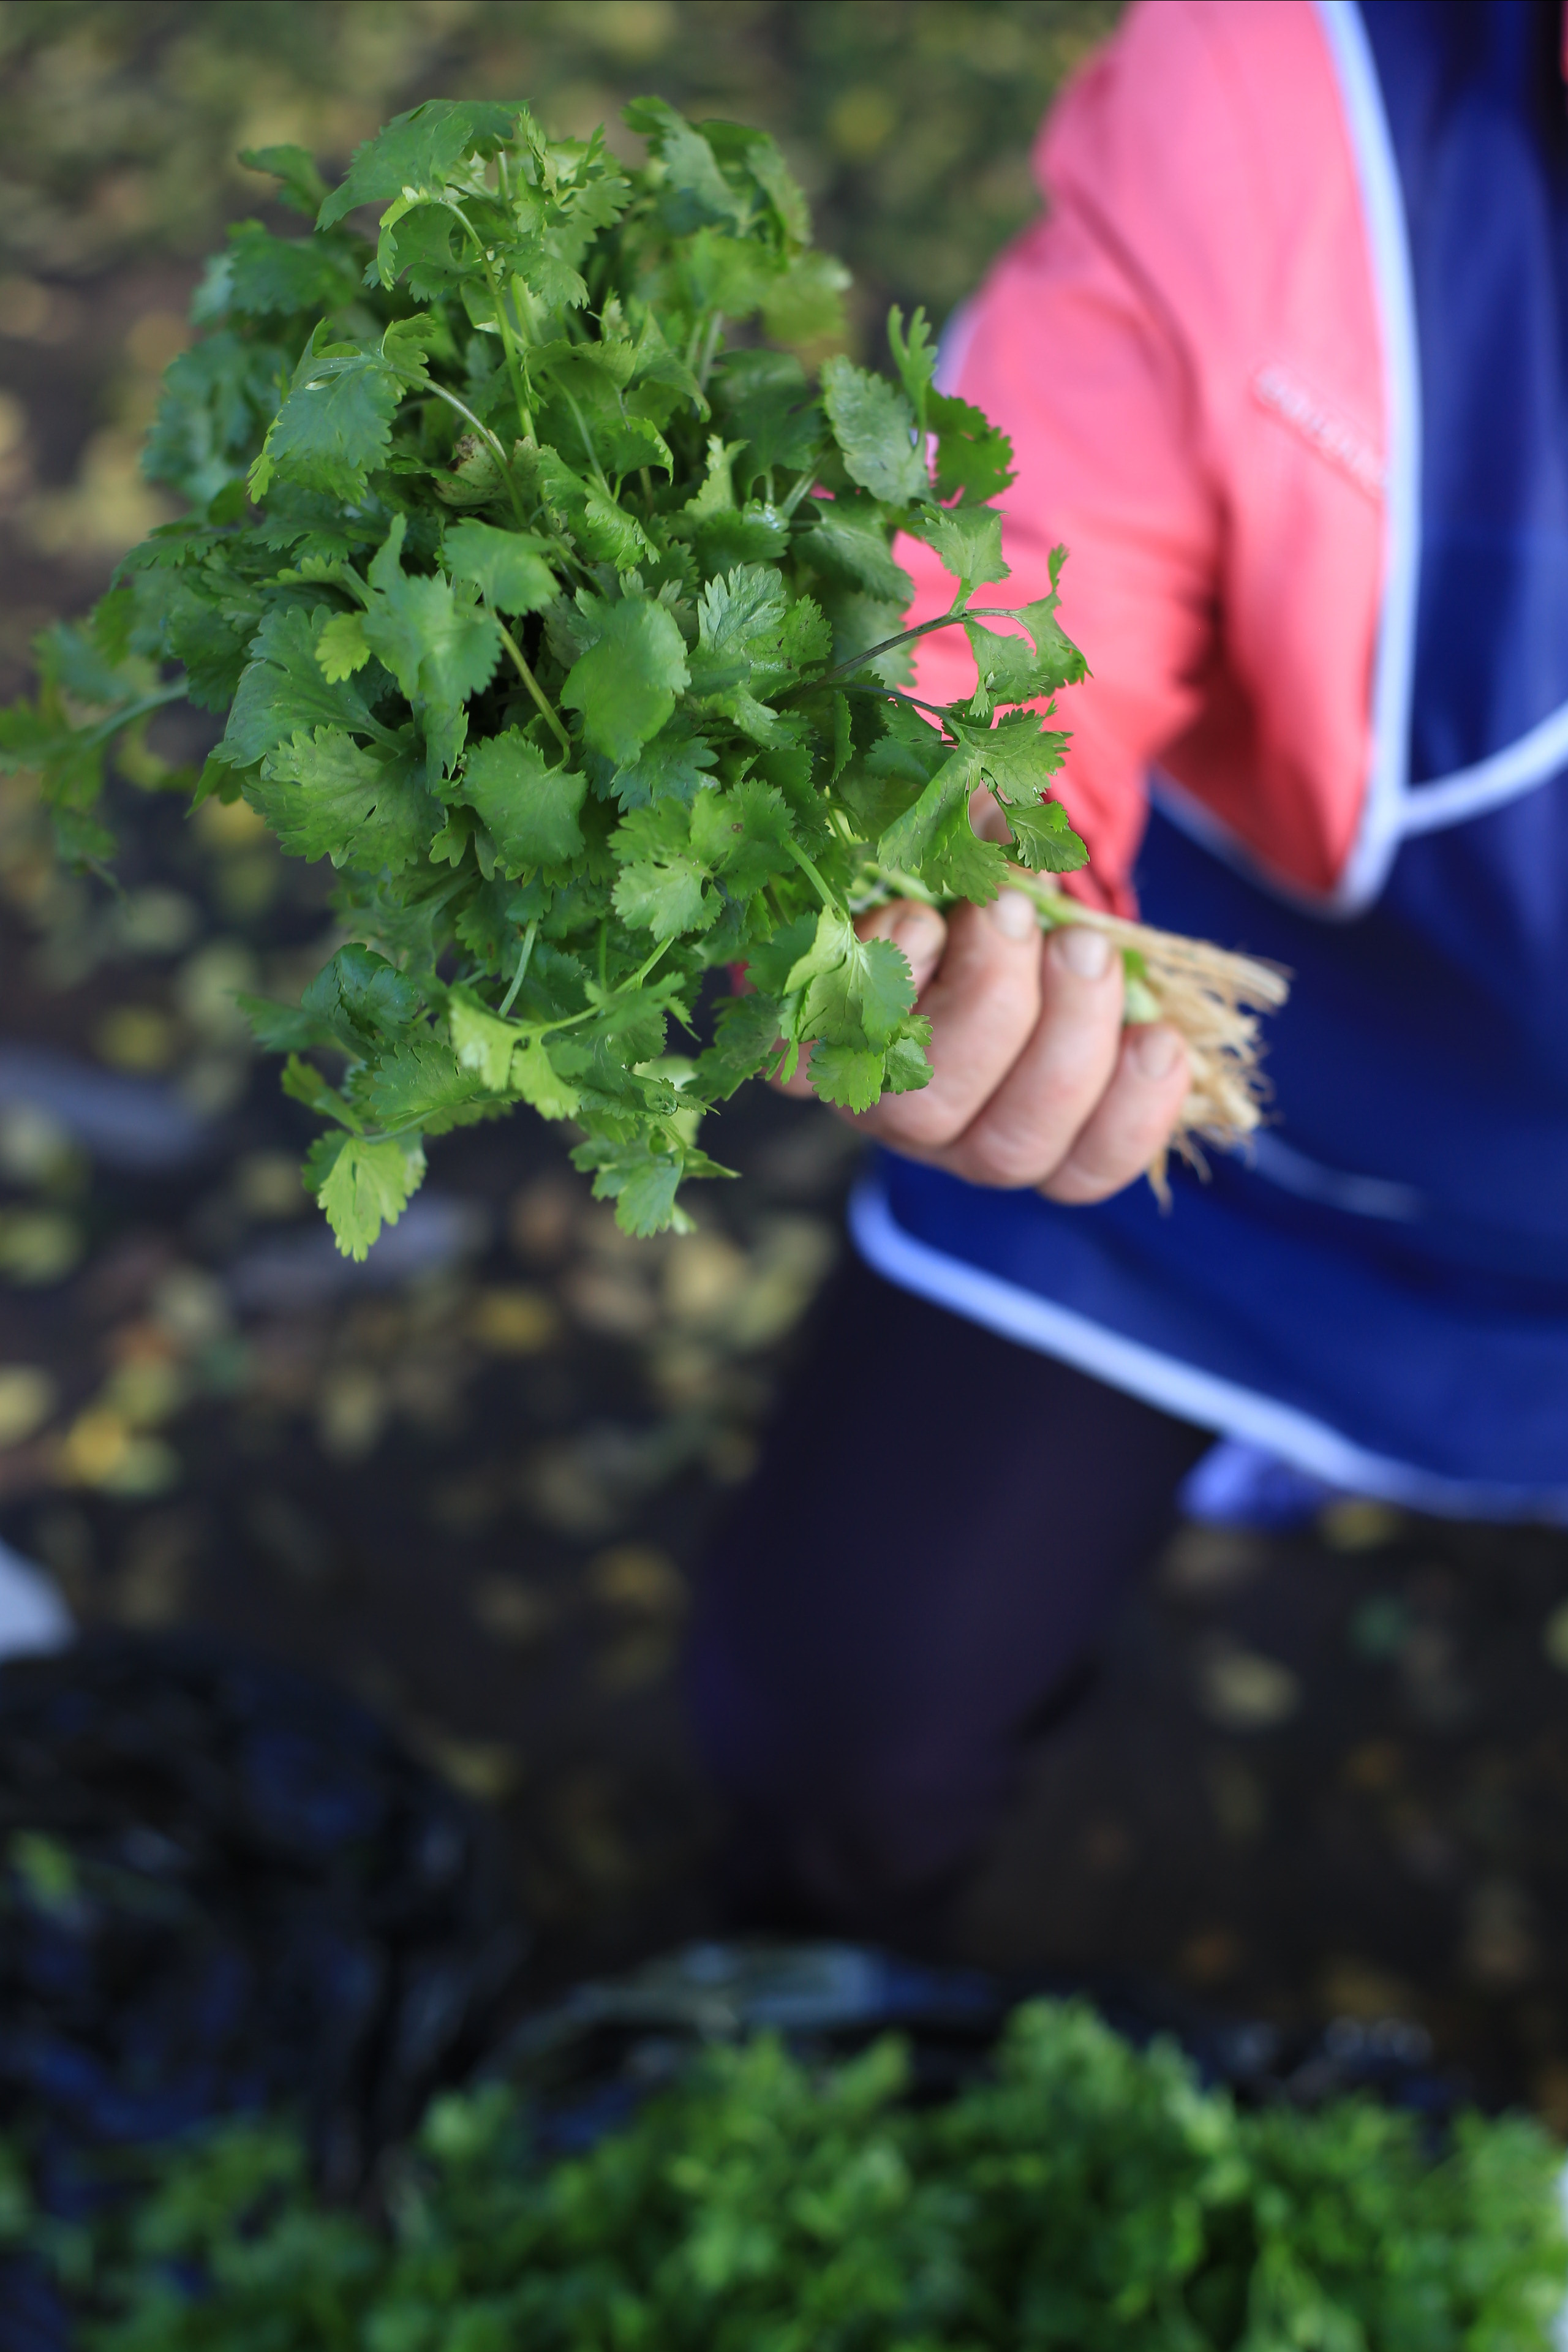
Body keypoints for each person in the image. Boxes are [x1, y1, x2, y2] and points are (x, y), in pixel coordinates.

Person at [688, 0, 1568, 1946]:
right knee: (840, 1711)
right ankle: (812, 1983)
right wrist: (944, 863)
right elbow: (1006, 571)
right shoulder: (1293, 94)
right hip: (1186, 1152)